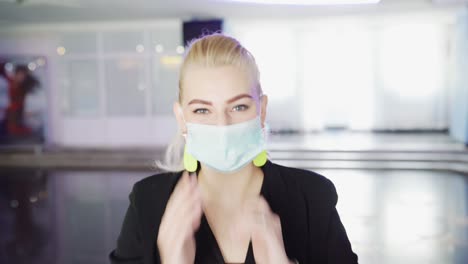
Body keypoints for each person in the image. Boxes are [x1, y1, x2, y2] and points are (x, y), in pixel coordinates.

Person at [109, 33, 358, 264]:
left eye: (238, 107)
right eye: (202, 110)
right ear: (182, 117)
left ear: (261, 111)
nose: (222, 125)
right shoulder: (147, 203)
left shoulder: (311, 198)